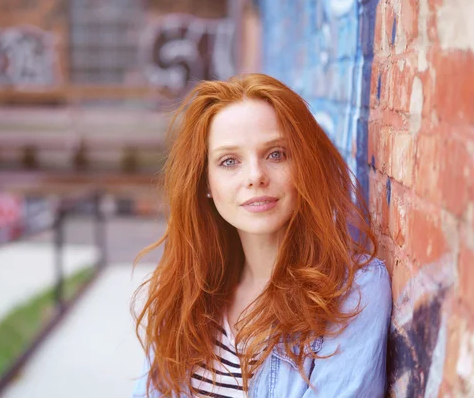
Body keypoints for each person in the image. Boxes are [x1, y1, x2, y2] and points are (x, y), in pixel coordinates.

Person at [130, 73, 392, 398]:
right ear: (205, 182)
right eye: (229, 161)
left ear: (304, 165)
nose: (255, 176)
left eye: (276, 154)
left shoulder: (351, 295)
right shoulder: (187, 295)